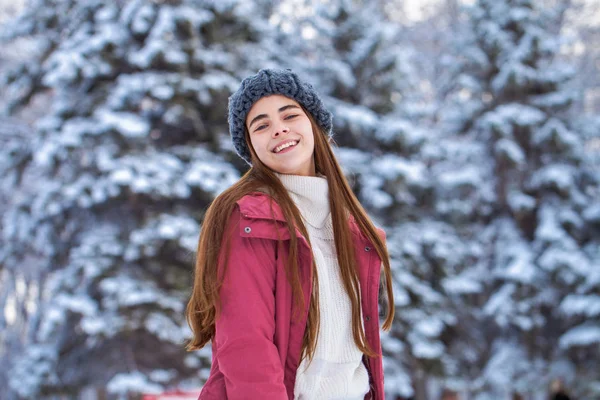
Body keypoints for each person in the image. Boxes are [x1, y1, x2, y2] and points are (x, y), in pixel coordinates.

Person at [185, 68, 395, 400]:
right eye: (262, 125)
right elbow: (245, 344)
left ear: (314, 123)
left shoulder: (353, 228)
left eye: (289, 115)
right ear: (251, 146)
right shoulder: (247, 216)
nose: (279, 128)